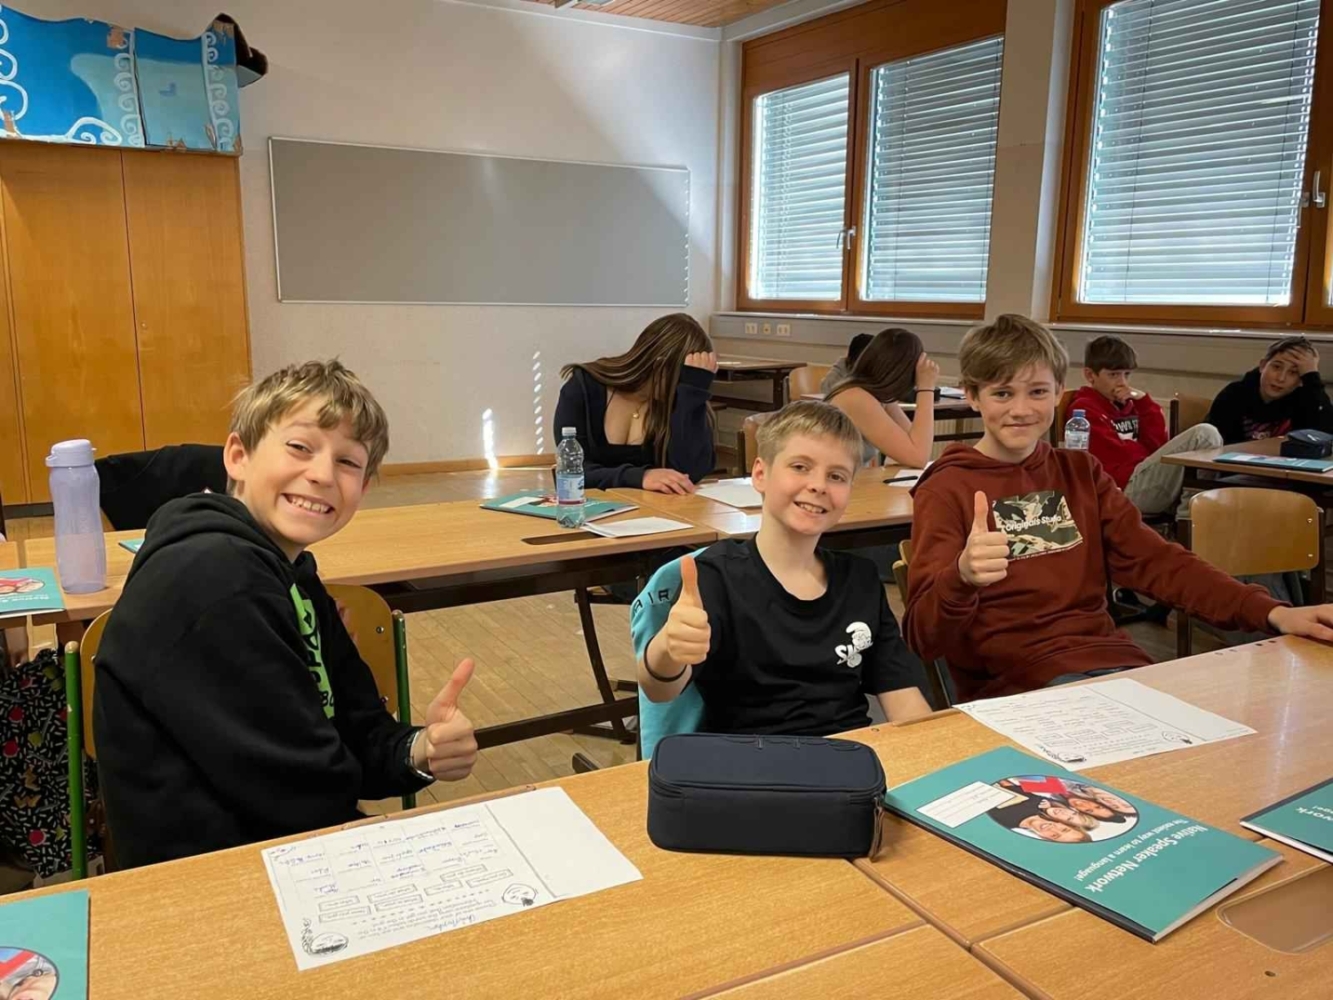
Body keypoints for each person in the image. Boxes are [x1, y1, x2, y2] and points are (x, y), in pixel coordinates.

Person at [94, 360, 479, 868]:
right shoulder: (214, 577)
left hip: (286, 851)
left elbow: (356, 724)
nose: (322, 474)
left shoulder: (293, 574)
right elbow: (301, 793)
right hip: (212, 878)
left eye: (348, 462)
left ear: (363, 489)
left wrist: (421, 749)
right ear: (238, 456)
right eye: (299, 447)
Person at [904, 315, 1333, 700]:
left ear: (1058, 393)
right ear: (973, 396)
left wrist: (1272, 611)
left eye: (1037, 392)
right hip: (1016, 687)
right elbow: (923, 636)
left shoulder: (1080, 472)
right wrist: (961, 576)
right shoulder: (947, 488)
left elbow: (1158, 561)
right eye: (1002, 393)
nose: (1021, 409)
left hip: (1110, 664)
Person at [633, 400, 932, 735]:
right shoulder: (717, 577)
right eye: (800, 467)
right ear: (760, 474)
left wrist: (936, 754)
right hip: (748, 761)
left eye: (836, 476)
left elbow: (902, 695)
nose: (818, 485)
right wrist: (668, 649)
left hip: (848, 757)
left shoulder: (860, 580)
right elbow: (659, 690)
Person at [555, 313, 717, 493]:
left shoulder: (686, 401)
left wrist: (693, 396)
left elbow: (689, 475)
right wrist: (640, 477)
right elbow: (571, 472)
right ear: (659, 367)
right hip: (592, 506)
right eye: (683, 379)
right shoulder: (583, 388)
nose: (683, 388)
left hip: (656, 507)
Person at [1070, 335, 1222, 515]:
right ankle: (1188, 519)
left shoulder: (1131, 405)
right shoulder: (1084, 409)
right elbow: (1117, 455)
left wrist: (1143, 401)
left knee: (1207, 440)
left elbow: (1158, 445)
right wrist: (1145, 455)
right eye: (1113, 375)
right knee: (1204, 434)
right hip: (1123, 487)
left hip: (1144, 476)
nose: (1122, 382)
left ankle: (1190, 516)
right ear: (1090, 375)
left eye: (1126, 374)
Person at [825, 328, 940, 468]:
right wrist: (926, 388)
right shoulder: (856, 397)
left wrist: (925, 387)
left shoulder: (876, 396)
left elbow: (915, 441)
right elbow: (918, 457)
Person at [1205, 335, 1333, 443]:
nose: (1281, 378)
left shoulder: (1306, 401)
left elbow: (1324, 437)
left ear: (1301, 380)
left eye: (1293, 372)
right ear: (1263, 366)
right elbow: (1216, 444)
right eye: (1276, 367)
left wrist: (1312, 378)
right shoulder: (1234, 394)